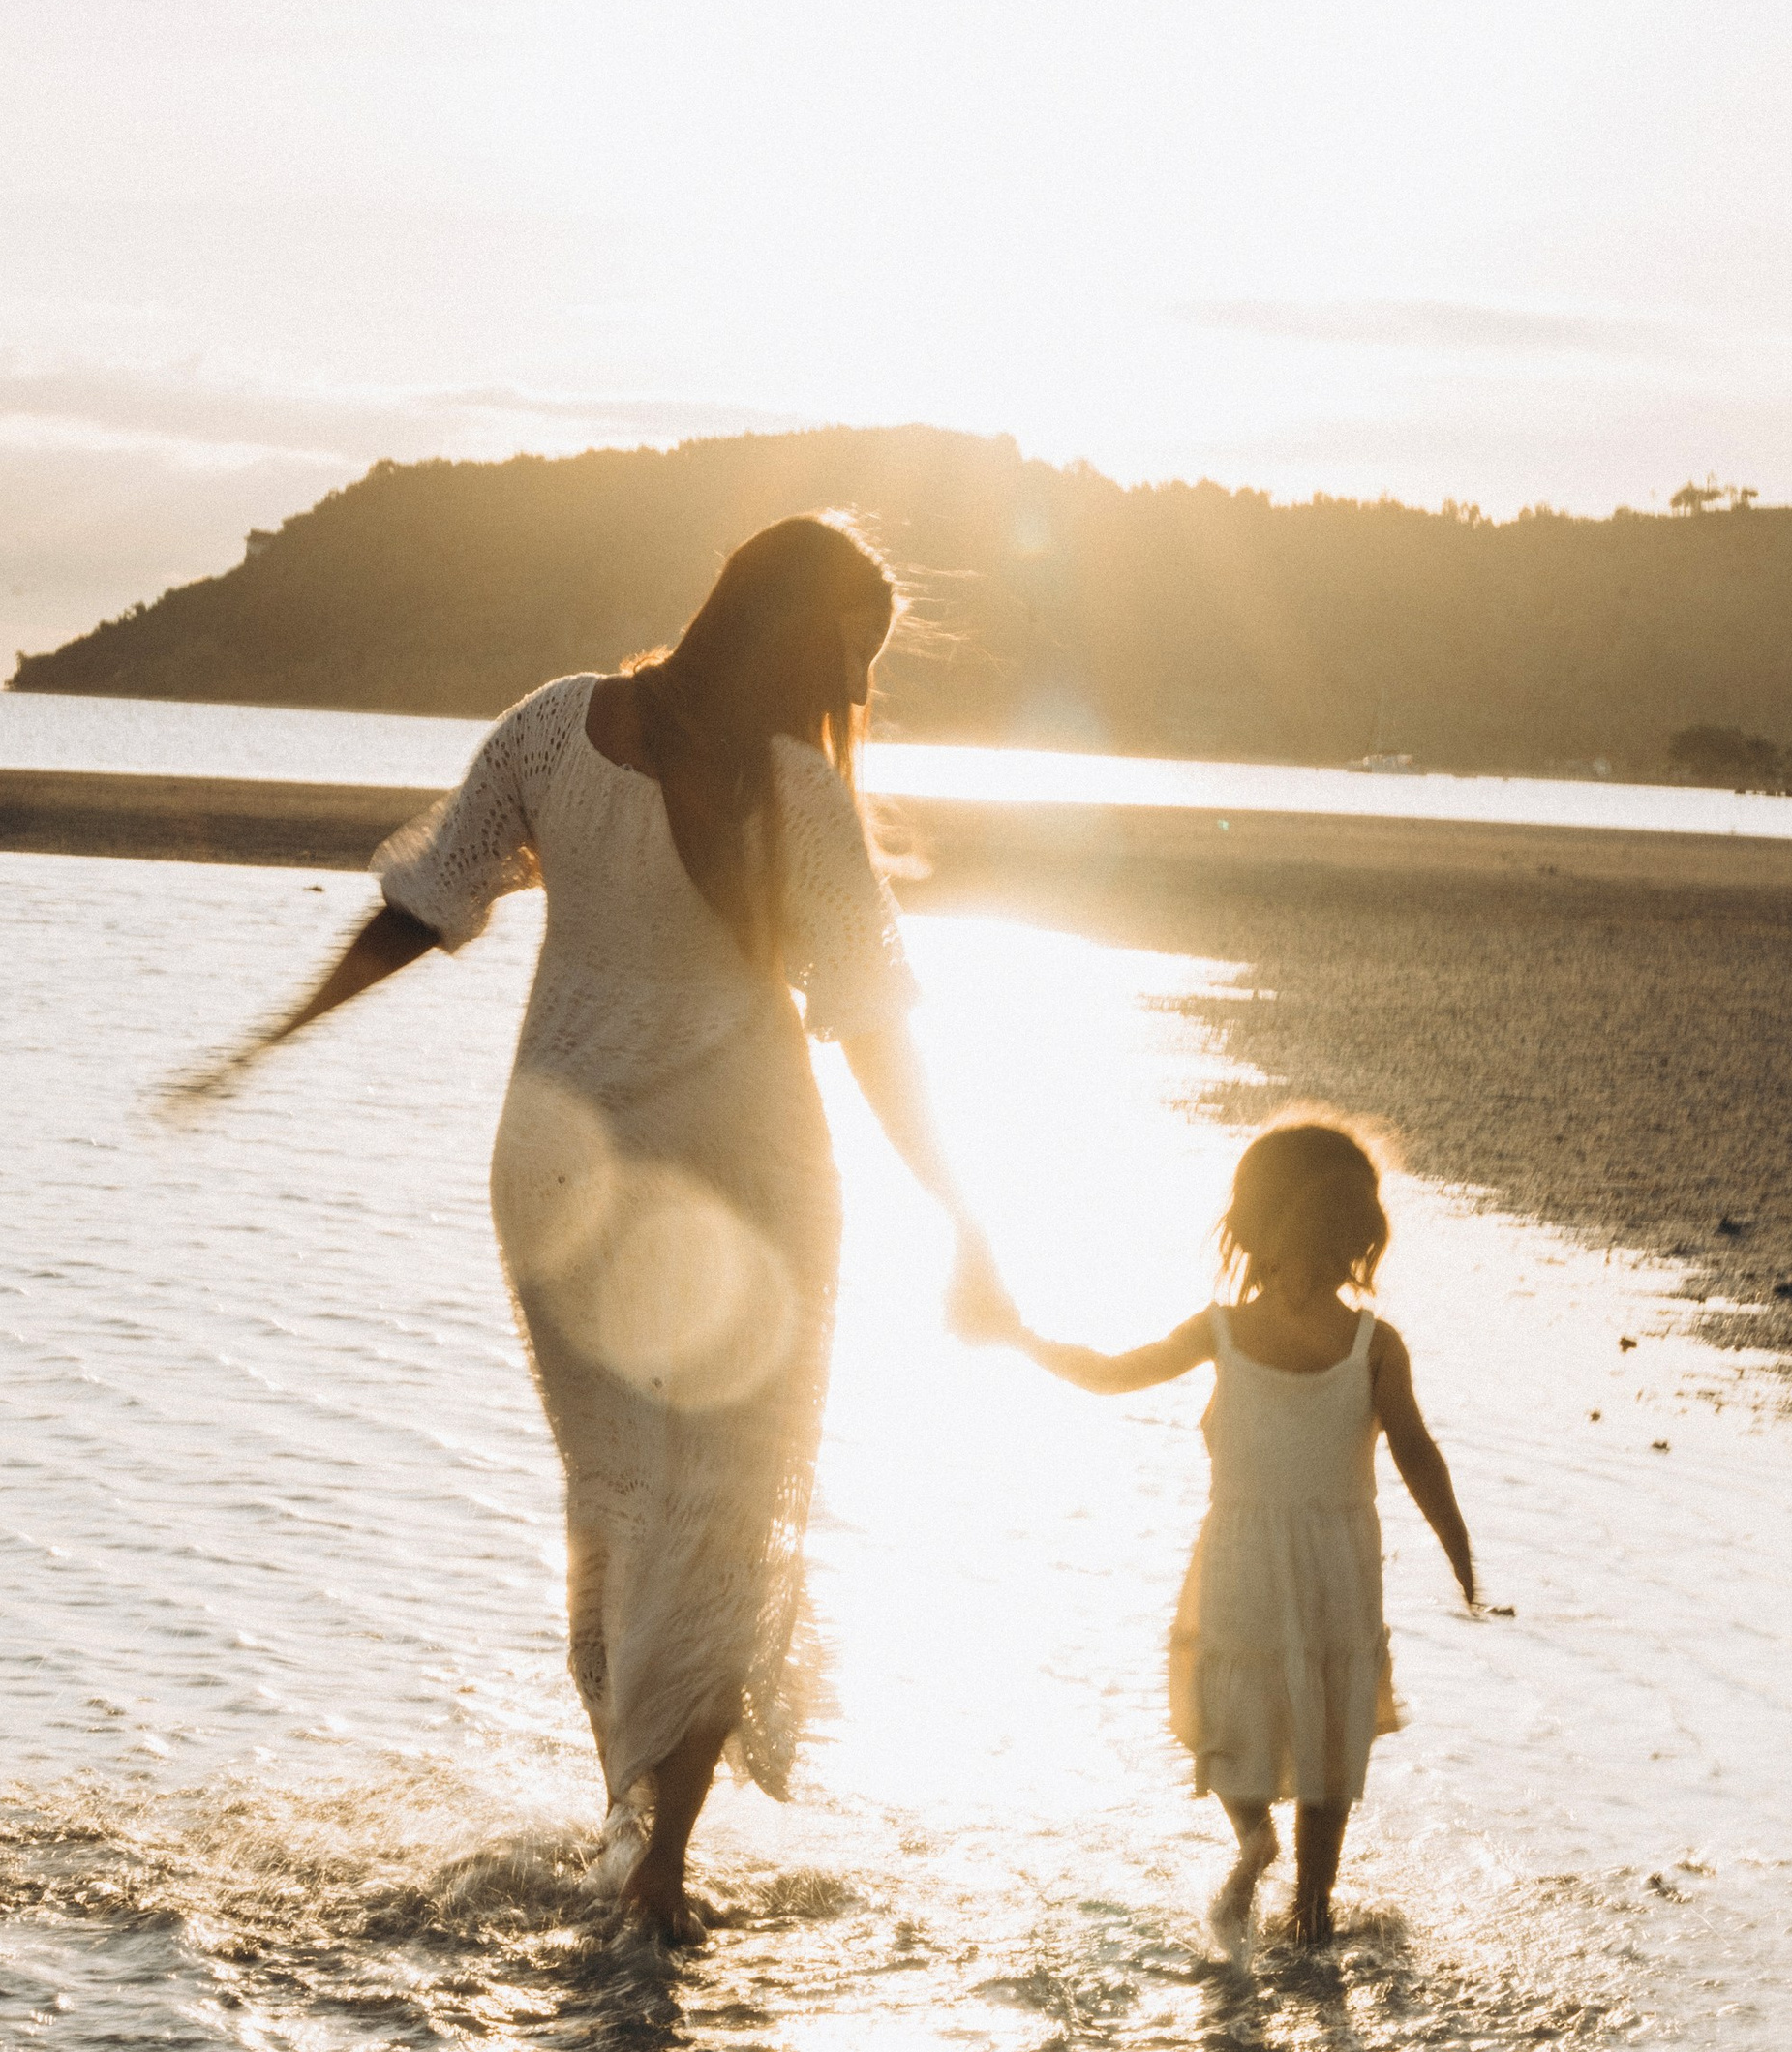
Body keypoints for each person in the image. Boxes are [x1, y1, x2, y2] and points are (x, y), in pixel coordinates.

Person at [177, 512, 1008, 1941]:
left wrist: (273, 1034)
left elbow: (425, 905)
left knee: (619, 1499)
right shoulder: (790, 791)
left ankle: (629, 1825)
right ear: (791, 633)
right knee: (719, 1510)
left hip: (556, 1178)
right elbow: (872, 1026)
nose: (859, 691)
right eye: (850, 656)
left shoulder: (554, 728)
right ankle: (658, 1869)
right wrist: (965, 1214)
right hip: (743, 1186)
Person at [989, 1119, 1483, 1946]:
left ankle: (1255, 1837)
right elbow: (1417, 1455)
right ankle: (1313, 1911)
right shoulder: (1374, 1345)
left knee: (1226, 1714)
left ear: (1248, 1227)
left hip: (1239, 1564)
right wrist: (1461, 1554)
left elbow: (1113, 1372)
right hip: (1337, 1571)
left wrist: (1021, 1338)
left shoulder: (1221, 1331)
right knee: (1329, 1739)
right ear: (1360, 1234)